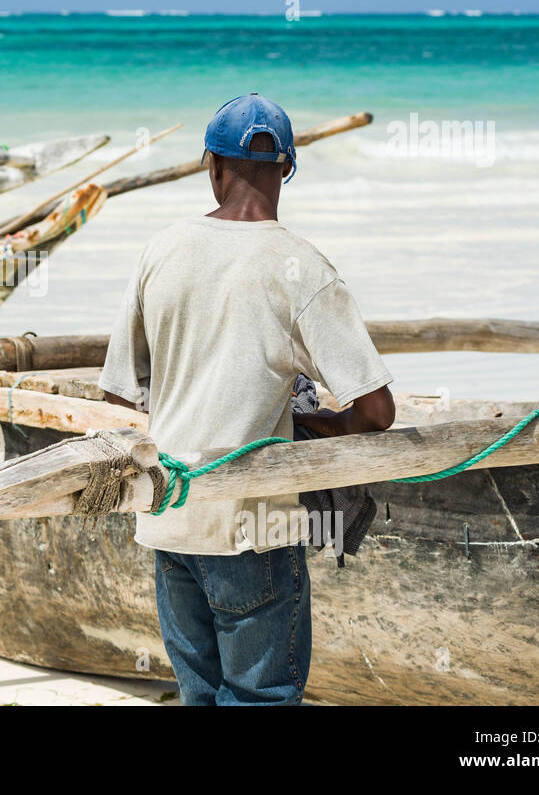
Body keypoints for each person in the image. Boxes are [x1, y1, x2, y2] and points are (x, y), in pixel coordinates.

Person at [98, 93, 396, 706]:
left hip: (170, 518)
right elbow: (376, 411)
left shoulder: (162, 251)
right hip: (252, 528)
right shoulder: (302, 268)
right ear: (285, 169)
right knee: (262, 697)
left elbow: (118, 390)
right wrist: (316, 425)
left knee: (200, 694)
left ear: (211, 165)